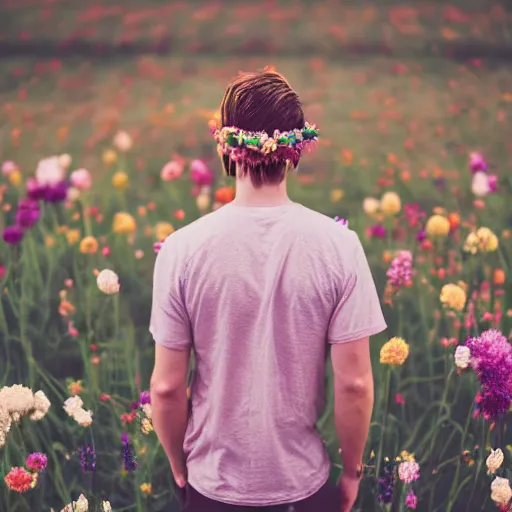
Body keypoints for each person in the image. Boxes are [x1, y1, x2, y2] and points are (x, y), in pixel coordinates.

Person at [149, 70, 387, 512]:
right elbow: (354, 384)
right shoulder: (339, 246)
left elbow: (165, 388)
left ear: (225, 145)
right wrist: (352, 472)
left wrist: (180, 467)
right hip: (303, 486)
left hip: (212, 486)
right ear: (295, 149)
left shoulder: (182, 249)